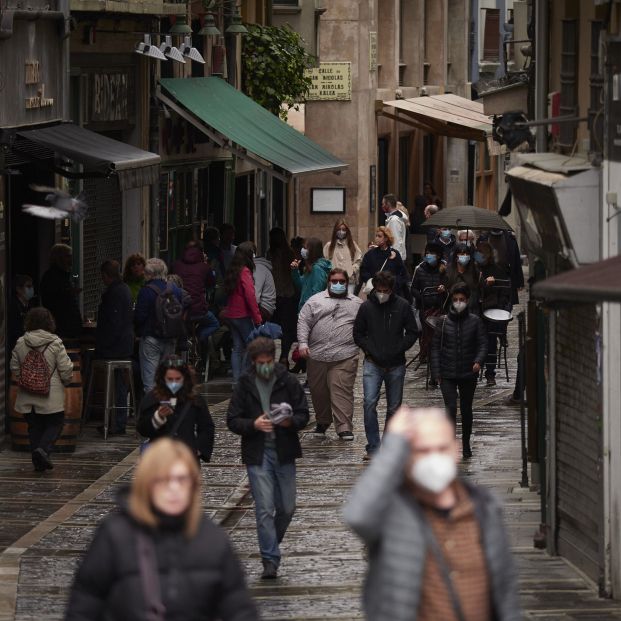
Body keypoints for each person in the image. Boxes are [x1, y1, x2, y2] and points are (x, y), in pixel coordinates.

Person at [344, 406, 521, 621]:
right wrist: (392, 446)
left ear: (455, 450)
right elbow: (357, 515)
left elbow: (505, 589)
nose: (434, 458)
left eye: (442, 448)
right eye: (423, 451)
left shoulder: (485, 508)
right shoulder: (392, 511)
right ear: (406, 456)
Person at [65, 437, 258, 621]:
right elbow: (84, 606)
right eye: (163, 480)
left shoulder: (213, 539)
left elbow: (239, 608)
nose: (174, 488)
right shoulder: (114, 536)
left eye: (182, 480)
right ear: (146, 484)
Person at [226, 337, 309, 579]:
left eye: (268, 361)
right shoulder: (244, 384)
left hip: (284, 451)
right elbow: (232, 420)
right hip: (258, 453)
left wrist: (289, 421)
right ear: (253, 362)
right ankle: (270, 559)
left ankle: (271, 540)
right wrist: (253, 424)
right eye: (260, 362)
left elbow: (304, 413)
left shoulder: (288, 381)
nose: (265, 366)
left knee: (287, 507)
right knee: (263, 508)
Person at [353, 271, 419, 459]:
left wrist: (400, 348)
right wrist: (369, 349)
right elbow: (358, 333)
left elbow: (413, 332)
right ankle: (373, 447)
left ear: (391, 290)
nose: (382, 293)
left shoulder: (402, 306)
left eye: (386, 290)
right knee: (369, 403)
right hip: (373, 363)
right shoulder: (366, 308)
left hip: (396, 364)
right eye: (380, 290)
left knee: (394, 408)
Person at [297, 268, 362, 440]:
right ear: (328, 282)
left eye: (342, 281)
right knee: (318, 391)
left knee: (341, 389)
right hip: (317, 354)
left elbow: (365, 326)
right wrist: (302, 343)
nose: (338, 284)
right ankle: (323, 421)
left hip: (345, 355)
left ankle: (344, 426)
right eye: (334, 281)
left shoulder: (357, 304)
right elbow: (304, 321)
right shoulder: (315, 300)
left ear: (347, 283)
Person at [10, 307, 74, 472]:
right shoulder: (55, 342)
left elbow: (14, 368)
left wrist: (26, 379)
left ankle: (38, 461)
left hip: (27, 393)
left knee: (34, 426)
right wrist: (66, 381)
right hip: (50, 395)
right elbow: (65, 369)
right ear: (49, 323)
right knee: (56, 423)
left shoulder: (21, 342)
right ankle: (43, 450)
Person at [431, 284, 487, 458]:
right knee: (450, 408)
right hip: (447, 372)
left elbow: (483, 343)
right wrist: (436, 372)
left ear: (467, 300)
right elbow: (435, 348)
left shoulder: (475, 321)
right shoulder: (443, 321)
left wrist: (478, 361)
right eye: (455, 299)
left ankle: (466, 443)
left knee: (466, 409)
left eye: (461, 300)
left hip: (468, 372)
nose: (458, 303)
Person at [137, 356, 215, 461]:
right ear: (163, 379)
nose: (174, 383)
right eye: (170, 379)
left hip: (187, 458)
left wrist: (197, 449)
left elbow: (207, 427)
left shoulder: (195, 399)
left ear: (185, 378)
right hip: (160, 459)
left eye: (178, 379)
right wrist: (157, 418)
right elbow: (142, 429)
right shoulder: (152, 398)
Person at [94, 260, 135, 436]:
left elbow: (113, 323)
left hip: (114, 347)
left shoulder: (114, 293)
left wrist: (103, 345)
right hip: (123, 345)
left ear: (105, 275)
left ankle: (116, 422)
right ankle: (116, 421)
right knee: (119, 384)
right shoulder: (124, 289)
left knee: (118, 384)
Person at [134, 258, 184, 393]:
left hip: (151, 339)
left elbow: (139, 317)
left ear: (149, 274)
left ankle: (154, 411)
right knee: (167, 379)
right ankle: (169, 411)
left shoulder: (146, 291)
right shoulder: (175, 290)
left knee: (150, 382)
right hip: (171, 338)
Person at [222, 245, 262, 383]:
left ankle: (236, 381)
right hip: (243, 314)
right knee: (251, 346)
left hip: (232, 314)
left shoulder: (233, 270)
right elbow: (250, 295)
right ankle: (245, 378)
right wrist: (257, 317)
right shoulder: (245, 271)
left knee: (237, 347)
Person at [476, 240, 513, 387]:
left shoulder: (497, 270)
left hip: (491, 311)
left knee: (491, 342)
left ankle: (490, 373)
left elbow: (504, 292)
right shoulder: (473, 270)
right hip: (475, 310)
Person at [173, 240, 220, 344]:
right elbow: (211, 282)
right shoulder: (204, 267)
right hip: (198, 309)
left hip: (179, 309)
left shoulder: (176, 265)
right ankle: (198, 339)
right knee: (214, 324)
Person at [411, 242, 447, 363]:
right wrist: (421, 297)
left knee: (437, 333)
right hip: (424, 307)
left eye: (432, 253)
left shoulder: (444, 269)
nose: (429, 255)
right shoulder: (419, 269)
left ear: (438, 255)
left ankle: (436, 355)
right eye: (427, 253)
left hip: (439, 306)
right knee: (425, 333)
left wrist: (444, 289)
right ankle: (424, 353)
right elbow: (413, 288)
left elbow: (449, 285)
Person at [267, 228, 298, 368]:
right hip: (286, 295)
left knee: (274, 327)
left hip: (275, 295)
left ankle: (279, 356)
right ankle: (284, 356)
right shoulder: (288, 253)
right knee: (287, 329)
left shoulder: (271, 254)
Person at [39, 244, 82, 338]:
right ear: (59, 258)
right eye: (67, 256)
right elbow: (51, 301)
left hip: (68, 327)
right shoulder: (51, 277)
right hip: (61, 327)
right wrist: (67, 293)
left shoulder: (64, 276)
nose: (71, 259)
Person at [359, 227, 409, 300]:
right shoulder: (370, 254)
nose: (376, 238)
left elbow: (403, 273)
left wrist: (394, 285)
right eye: (376, 236)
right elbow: (363, 271)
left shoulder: (395, 254)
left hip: (391, 293)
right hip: (374, 292)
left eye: (379, 236)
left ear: (386, 238)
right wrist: (371, 282)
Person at [480, 228, 524, 306]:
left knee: (506, 306)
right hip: (488, 279)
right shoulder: (483, 238)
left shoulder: (510, 238)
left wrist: (519, 282)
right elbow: (477, 259)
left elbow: (516, 260)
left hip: (505, 278)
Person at [239, 241, 276, 322]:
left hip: (264, 308)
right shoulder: (249, 268)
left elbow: (255, 298)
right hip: (257, 305)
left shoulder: (258, 269)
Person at [291, 237, 332, 311]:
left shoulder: (317, 269)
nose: (302, 250)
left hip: (311, 311)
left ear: (313, 251)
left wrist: (306, 308)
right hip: (306, 309)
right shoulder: (310, 267)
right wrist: (295, 271)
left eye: (305, 248)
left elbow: (316, 293)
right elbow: (301, 286)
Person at [323, 219, 363, 294]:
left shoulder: (352, 244)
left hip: (349, 281)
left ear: (347, 231)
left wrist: (352, 270)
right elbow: (325, 262)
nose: (341, 231)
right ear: (335, 230)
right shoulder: (329, 246)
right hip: (334, 280)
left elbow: (358, 260)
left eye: (344, 229)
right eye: (339, 229)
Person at [445, 242, 480, 314]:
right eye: (462, 254)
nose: (465, 256)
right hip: (452, 310)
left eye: (467, 254)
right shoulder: (448, 271)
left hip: (471, 311)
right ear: (456, 257)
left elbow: (480, 288)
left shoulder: (475, 271)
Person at [8, 274, 37, 356]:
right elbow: (14, 329)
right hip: (16, 347)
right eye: (28, 286)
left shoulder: (31, 306)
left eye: (32, 286)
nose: (31, 289)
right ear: (18, 289)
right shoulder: (12, 306)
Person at [382, 193, 408, 261]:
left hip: (394, 258)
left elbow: (396, 241)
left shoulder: (394, 220)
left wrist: (394, 259)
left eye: (383, 204)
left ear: (388, 204)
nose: (382, 206)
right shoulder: (394, 218)